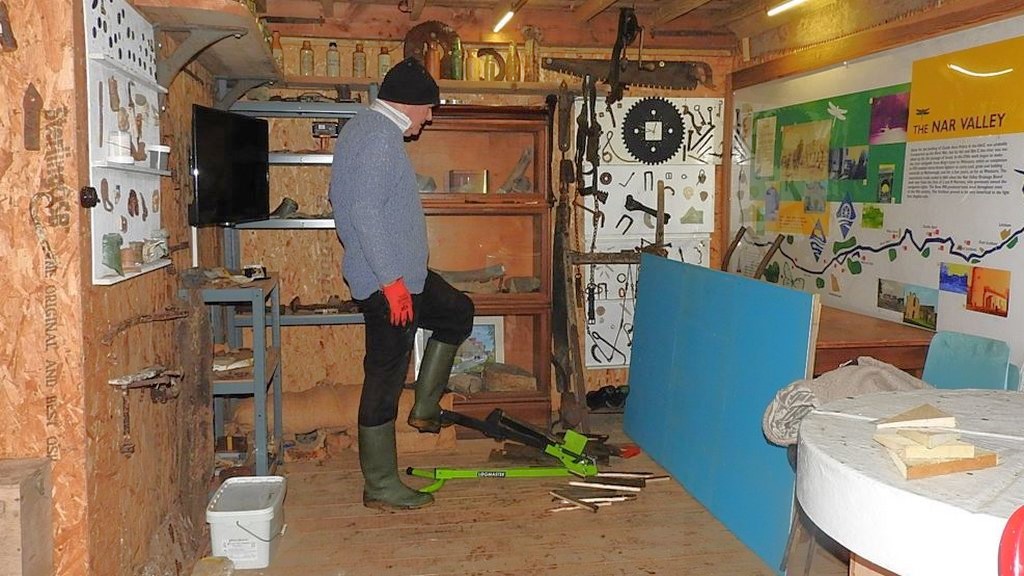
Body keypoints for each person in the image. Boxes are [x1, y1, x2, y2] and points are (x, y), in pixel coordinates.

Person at [328, 57, 474, 510]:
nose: (429, 117)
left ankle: (426, 408)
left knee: (457, 312)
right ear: (408, 103)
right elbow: (364, 212)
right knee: (385, 377)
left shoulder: (367, 130)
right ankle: (380, 485)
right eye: (428, 108)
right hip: (388, 284)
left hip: (406, 278)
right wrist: (392, 284)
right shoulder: (378, 138)